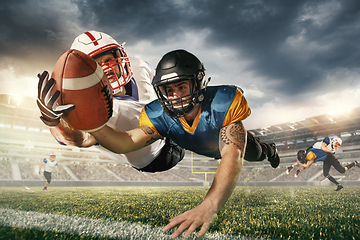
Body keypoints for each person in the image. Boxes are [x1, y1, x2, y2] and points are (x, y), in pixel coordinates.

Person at [81, 49, 279, 238]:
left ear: (197, 83)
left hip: (228, 145)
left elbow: (232, 155)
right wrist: (91, 126)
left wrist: (209, 205)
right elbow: (127, 141)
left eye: (182, 86)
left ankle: (270, 151)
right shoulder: (157, 114)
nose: (175, 96)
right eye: (169, 90)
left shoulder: (223, 102)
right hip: (198, 145)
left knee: (256, 152)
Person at [36, 30, 184, 173]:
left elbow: (158, 80)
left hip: (173, 129)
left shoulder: (138, 66)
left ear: (121, 56)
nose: (106, 68)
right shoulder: (89, 108)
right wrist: (54, 122)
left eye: (108, 60)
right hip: (156, 158)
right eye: (97, 65)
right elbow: (79, 138)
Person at [286, 137, 360, 191]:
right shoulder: (326, 141)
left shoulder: (314, 153)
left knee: (342, 170)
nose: (337, 146)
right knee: (326, 174)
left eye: (338, 145)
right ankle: (339, 185)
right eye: (337, 144)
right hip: (326, 159)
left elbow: (322, 149)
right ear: (334, 141)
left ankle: (354, 163)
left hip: (329, 157)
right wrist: (298, 165)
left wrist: (298, 164)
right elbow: (307, 165)